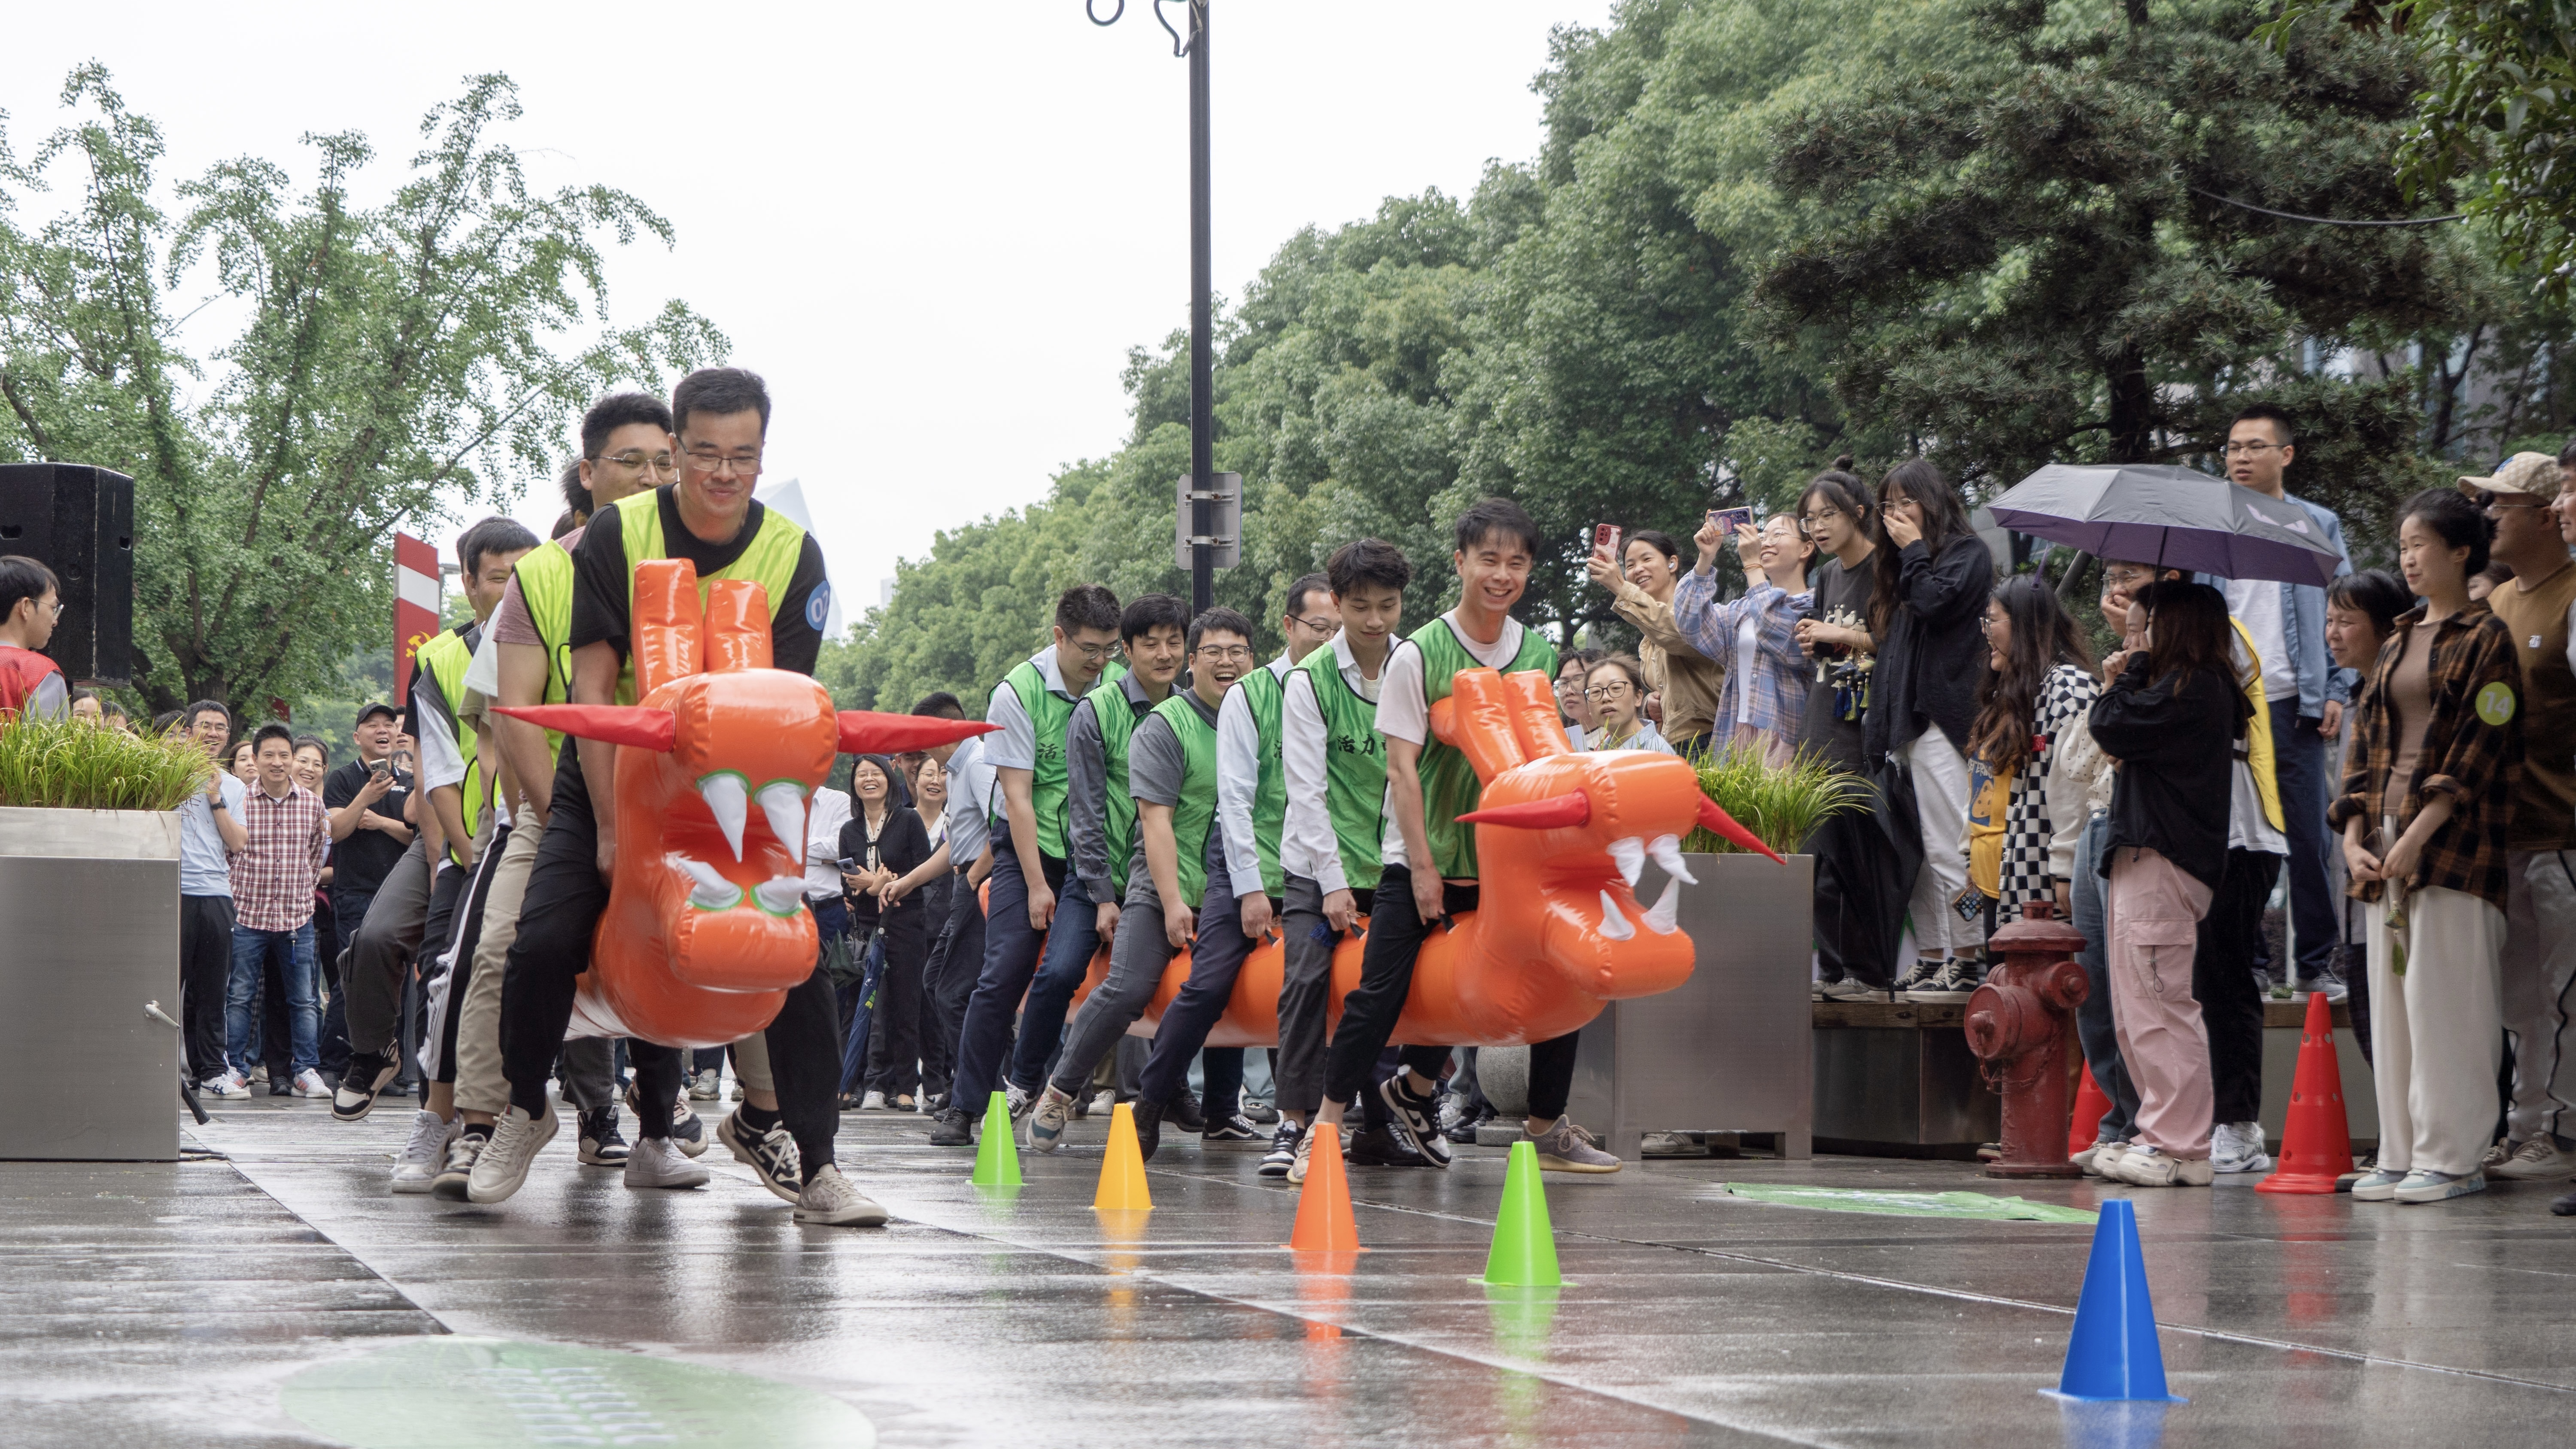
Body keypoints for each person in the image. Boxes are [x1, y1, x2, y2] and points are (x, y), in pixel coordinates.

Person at [480, 366, 880, 1225]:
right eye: (704, 454)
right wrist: (614, 830)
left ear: (762, 454)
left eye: (743, 456)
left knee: (799, 951)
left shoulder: (792, 554)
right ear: (677, 449)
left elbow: (783, 710)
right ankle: (523, 1106)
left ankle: (817, 1160)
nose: (723, 473)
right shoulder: (619, 535)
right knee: (543, 936)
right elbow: (591, 692)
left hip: (730, 793)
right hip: (616, 776)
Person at [1316, 498, 1621, 1176]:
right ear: (1461, 562)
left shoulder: (1538, 652)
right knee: (1379, 996)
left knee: (1555, 974)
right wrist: (1421, 868)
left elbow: (1546, 763)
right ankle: (1326, 1125)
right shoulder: (1417, 653)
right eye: (1489, 559)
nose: (1502, 574)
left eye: (1516, 562)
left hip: (1509, 862)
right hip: (1427, 856)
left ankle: (1545, 1127)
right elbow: (1401, 768)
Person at [437, 396, 684, 1198]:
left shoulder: (701, 566)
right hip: (558, 802)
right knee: (502, 947)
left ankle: (759, 1120)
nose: (650, 478)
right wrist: (563, 825)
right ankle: (486, 1122)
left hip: (674, 807)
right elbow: (515, 716)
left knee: (744, 937)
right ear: (590, 474)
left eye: (662, 461)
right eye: (631, 463)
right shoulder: (545, 574)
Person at [2335, 489, 2522, 1206]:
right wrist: (2356, 837)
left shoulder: (2486, 637)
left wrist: (2416, 837)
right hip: (2382, 844)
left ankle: (2455, 1154)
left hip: (2452, 847)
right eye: (2402, 545)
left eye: (2421, 544)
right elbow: (2362, 747)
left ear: (2461, 552)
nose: (2409, 558)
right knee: (2393, 1006)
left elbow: (2479, 750)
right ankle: (2401, 1150)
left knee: (2448, 1003)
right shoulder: (2399, 637)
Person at [1025, 606, 1253, 1155]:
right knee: (1128, 986)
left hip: (1239, 885)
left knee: (1239, 984)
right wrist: (1171, 901)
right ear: (1194, 662)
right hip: (1160, 886)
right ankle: (1060, 1088)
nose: (1227, 664)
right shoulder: (1165, 724)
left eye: (1238, 653)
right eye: (1213, 654)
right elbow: (1154, 824)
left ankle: (1227, 1110)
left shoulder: (1264, 717)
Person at [331, 516, 535, 1123]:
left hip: (532, 836)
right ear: (468, 582)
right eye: (500, 578)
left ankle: (605, 1109)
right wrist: (458, 857)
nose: (515, 591)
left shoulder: (560, 645)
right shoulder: (442, 660)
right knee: (379, 938)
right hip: (453, 838)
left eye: (527, 576)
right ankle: (374, 1051)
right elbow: (433, 777)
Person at [931, 584, 1124, 1148]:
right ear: (1059, 636)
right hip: (1026, 847)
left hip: (1095, 851)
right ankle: (964, 1106)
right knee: (1003, 969)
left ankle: (1027, 1083)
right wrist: (1038, 884)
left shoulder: (1118, 683)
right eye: (1089, 648)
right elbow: (1017, 797)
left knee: (1063, 971)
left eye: (1110, 648)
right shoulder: (1017, 691)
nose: (1100, 661)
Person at [2087, 581, 2245, 1188]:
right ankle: (2158, 1130)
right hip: (2142, 852)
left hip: (2165, 858)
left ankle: (2180, 1141)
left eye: (2139, 628)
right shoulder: (2177, 689)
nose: (2129, 641)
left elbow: (2109, 724)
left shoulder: (2197, 686)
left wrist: (2132, 671)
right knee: (2134, 1008)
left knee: (2159, 1002)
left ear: (2169, 630)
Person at [1015, 593, 1187, 1139]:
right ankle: (1036, 1084)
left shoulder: (1196, 706)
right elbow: (1084, 813)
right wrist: (1102, 894)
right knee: (1065, 971)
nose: (1164, 654)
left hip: (1175, 877)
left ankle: (1196, 1099)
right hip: (1098, 879)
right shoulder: (1097, 711)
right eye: (1149, 644)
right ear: (1127, 652)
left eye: (1174, 642)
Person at [1272, 539, 1411, 1181]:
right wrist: (1331, 884)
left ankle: (1391, 1118)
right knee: (1304, 977)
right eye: (1361, 607)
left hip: (1393, 860)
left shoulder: (1414, 665)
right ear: (1338, 603)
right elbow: (1306, 791)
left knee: (1394, 982)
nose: (1376, 620)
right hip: (1316, 864)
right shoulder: (1309, 680)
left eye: (1388, 605)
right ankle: (1295, 1121)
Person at [2455, 453, 2576, 1185]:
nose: (2489, 516)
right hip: (2504, 835)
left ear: (2541, 515)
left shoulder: (2573, 596)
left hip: (2563, 832)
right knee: (2521, 999)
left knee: (2564, 993)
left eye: (2503, 503)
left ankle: (2557, 1133)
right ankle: (2526, 1128)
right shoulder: (2496, 607)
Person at [2220, 404, 2356, 997]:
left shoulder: (2316, 522)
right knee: (2238, 840)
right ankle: (2245, 960)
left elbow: (2345, 606)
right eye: (2232, 448)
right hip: (2230, 704)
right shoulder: (2214, 524)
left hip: (2294, 703)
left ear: (2286, 455)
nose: (2241, 457)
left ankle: (2316, 963)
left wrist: (2335, 687)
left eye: (2254, 446)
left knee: (2309, 836)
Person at [1866, 460, 1996, 999]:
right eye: (1888, 507)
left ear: (1932, 503)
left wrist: (1914, 549)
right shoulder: (1903, 571)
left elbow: (1935, 601)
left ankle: (1970, 953)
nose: (1896, 516)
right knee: (1916, 855)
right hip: (1906, 728)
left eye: (1906, 503)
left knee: (1952, 849)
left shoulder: (1967, 554)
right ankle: (1937, 953)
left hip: (1948, 723)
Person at [1789, 468, 1895, 999]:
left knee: (1856, 857)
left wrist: (1842, 634)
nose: (1818, 527)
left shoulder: (1885, 567)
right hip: (1821, 721)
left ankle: (1871, 972)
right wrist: (1819, 641)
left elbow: (1894, 641)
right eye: (1810, 519)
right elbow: (1841, 644)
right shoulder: (1827, 576)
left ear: (1857, 510)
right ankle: (1832, 971)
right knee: (1815, 857)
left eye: (1827, 515)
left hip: (1861, 733)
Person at [1959, 576, 2096, 933]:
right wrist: (1970, 854)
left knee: (2038, 984)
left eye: (1993, 620)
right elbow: (1982, 782)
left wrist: (2066, 869)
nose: (1986, 631)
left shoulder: (2068, 688)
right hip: (1997, 881)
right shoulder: (2009, 691)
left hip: (2040, 883)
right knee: (2004, 983)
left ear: (2024, 623)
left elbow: (2075, 790)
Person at [2322, 568, 2412, 1071]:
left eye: (2346, 621)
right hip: (2356, 890)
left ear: (2387, 626)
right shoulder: (2357, 696)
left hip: (2391, 883)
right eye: (2330, 621)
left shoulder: (2400, 697)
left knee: (2399, 1024)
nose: (2333, 634)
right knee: (2370, 1022)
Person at [876, 692, 985, 1111]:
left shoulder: (977, 763)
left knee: (958, 992)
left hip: (983, 886)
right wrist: (907, 883)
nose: (917, 748)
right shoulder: (956, 771)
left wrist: (975, 874)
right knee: (939, 985)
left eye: (923, 736)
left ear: (943, 730)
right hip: (967, 884)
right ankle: (972, 1088)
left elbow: (1007, 821)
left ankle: (981, 1092)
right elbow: (954, 844)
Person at [226, 724, 332, 1098]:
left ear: (292, 758)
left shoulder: (312, 803)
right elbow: (227, 851)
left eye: (283, 754)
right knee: (239, 995)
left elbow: (318, 851)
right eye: (268, 754)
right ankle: (236, 1069)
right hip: (247, 915)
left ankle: (306, 1069)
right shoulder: (241, 800)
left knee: (303, 998)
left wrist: (303, 886)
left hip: (296, 917)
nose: (277, 762)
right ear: (254, 759)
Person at [1672, 513, 1813, 764]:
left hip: (1786, 734)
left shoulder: (1813, 604)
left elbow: (1779, 635)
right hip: (1735, 729)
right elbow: (1688, 622)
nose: (1766, 543)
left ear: (1807, 548)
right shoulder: (1742, 610)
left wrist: (1752, 566)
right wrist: (1706, 558)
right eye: (1763, 536)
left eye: (1777, 535)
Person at [843, 755, 932, 1108]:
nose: (868, 779)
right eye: (861, 774)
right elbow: (846, 884)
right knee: (861, 1006)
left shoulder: (908, 820)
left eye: (875, 773)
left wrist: (879, 883)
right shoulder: (849, 829)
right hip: (864, 929)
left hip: (906, 923)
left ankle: (906, 1085)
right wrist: (874, 884)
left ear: (889, 779)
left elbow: (924, 871)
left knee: (905, 1005)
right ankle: (861, 1082)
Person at [1588, 531, 1724, 755]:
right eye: (1630, 565)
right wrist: (1652, 701)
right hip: (1672, 743)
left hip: (1710, 739)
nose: (1637, 569)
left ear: (1672, 563)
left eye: (1646, 559)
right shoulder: (1648, 636)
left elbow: (1680, 636)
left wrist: (1621, 589)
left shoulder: (1695, 610)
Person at [175, 702, 249, 1096]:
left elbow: (237, 842)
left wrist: (215, 795)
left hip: (217, 893)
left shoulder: (234, 785)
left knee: (212, 988)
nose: (214, 733)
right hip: (174, 890)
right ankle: (164, 1066)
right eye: (206, 726)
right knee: (171, 983)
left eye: (222, 727)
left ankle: (212, 1071)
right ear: (188, 731)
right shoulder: (166, 773)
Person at [0, 556, 67, 720]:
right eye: (53, 608)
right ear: (25, 607)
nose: (55, 621)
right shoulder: (39, 672)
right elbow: (48, 744)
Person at [1583, 655, 1676, 753]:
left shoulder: (1655, 754)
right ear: (1588, 708)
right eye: (1596, 692)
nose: (1605, 698)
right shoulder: (1602, 751)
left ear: (1638, 697)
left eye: (1616, 688)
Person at [1553, 649, 1605, 748]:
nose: (1569, 691)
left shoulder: (1619, 737)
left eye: (1578, 679)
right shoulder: (1558, 743)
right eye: (1563, 683)